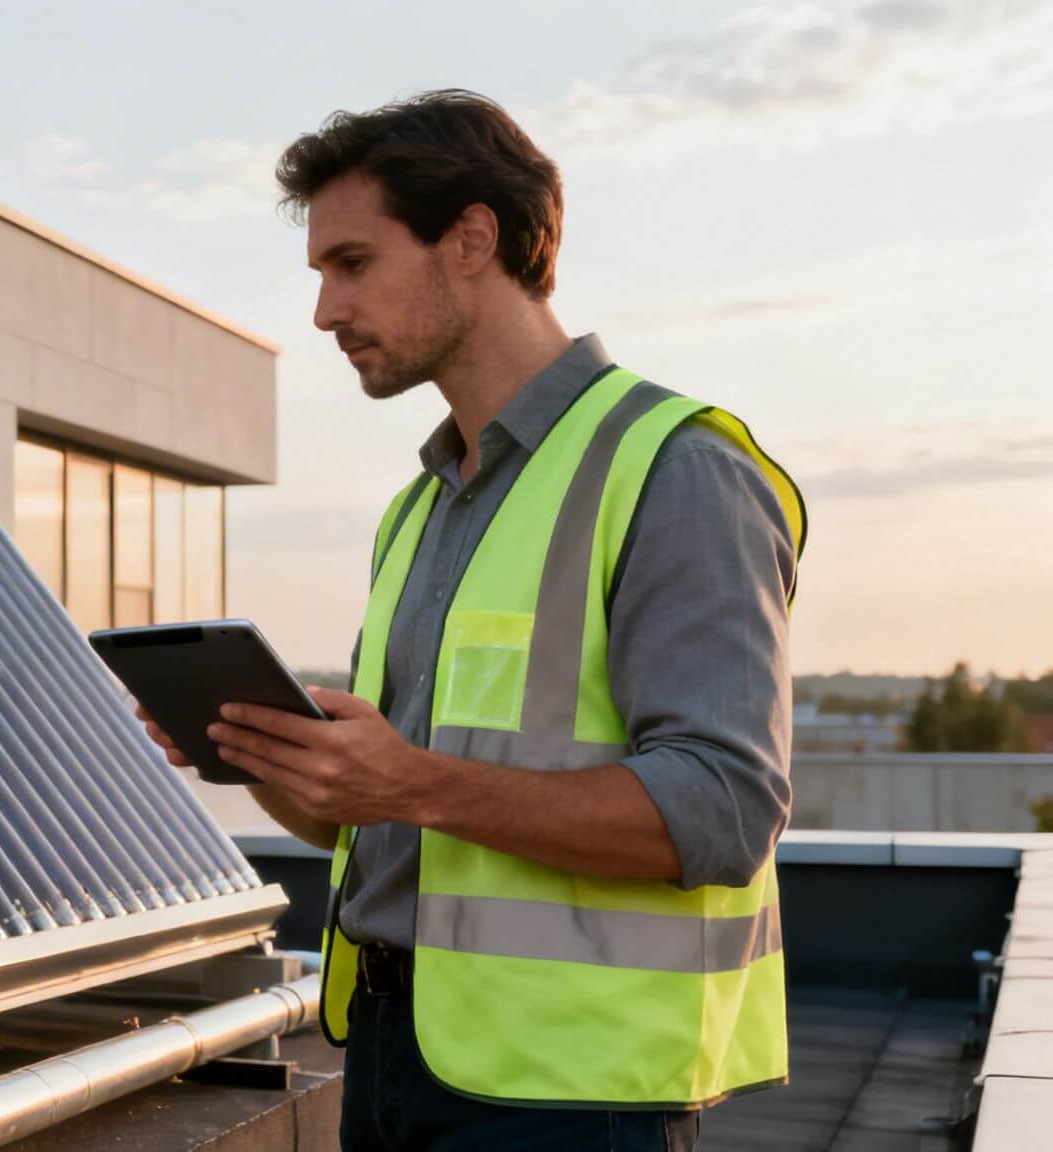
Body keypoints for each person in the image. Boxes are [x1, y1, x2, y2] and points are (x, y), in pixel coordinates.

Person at [132, 91, 805, 1151]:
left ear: (470, 241)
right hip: (390, 1056)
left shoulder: (675, 470)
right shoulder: (419, 509)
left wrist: (408, 780)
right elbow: (373, 818)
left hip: (577, 1095)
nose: (320, 312)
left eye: (349, 264)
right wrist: (261, 752)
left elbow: (721, 809)